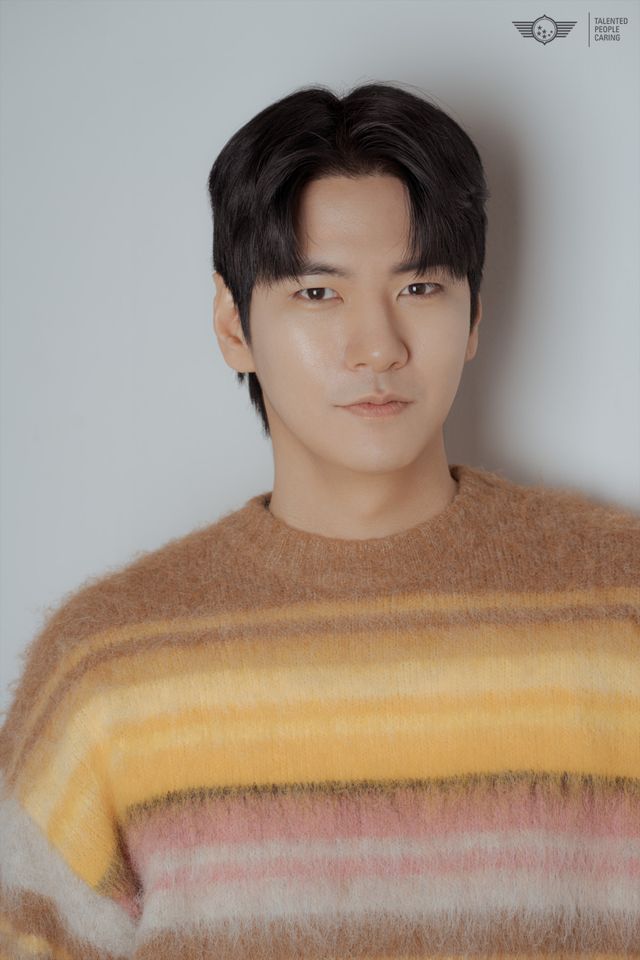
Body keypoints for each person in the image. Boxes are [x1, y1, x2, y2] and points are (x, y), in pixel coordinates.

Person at [1, 81, 638, 959]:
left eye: (420, 285)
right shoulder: (105, 669)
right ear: (233, 325)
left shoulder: (620, 610)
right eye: (316, 293)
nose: (378, 346)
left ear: (474, 315)